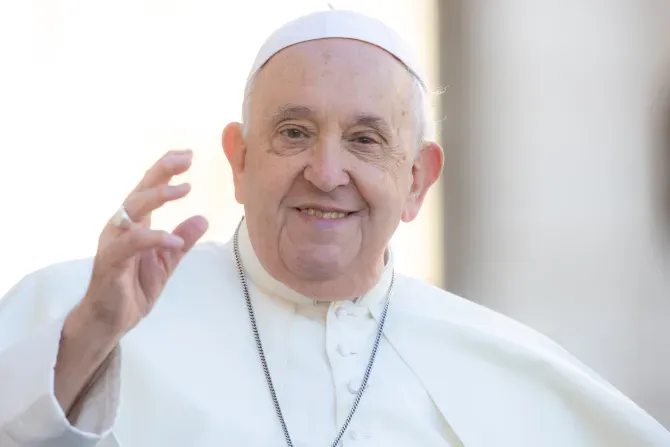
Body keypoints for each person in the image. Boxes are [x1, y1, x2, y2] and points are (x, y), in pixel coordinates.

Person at [0, 9, 668, 447]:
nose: (326, 171)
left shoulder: (505, 366)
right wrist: (89, 334)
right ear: (239, 159)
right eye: (294, 132)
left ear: (417, 180)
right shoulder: (78, 315)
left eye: (365, 139)